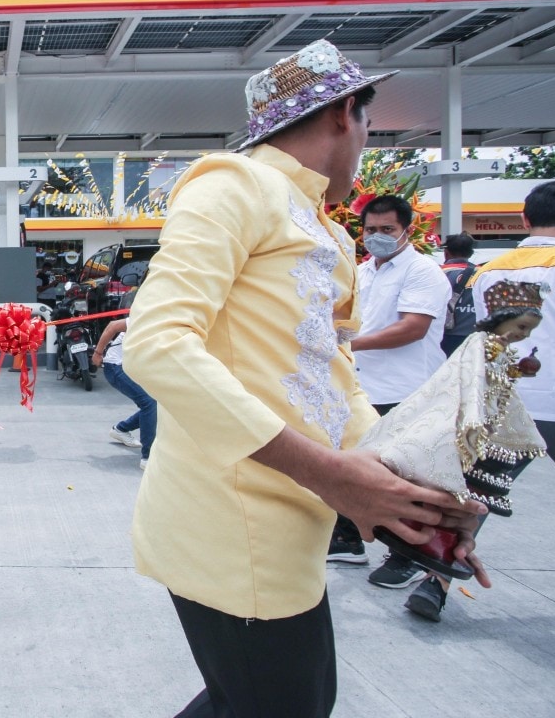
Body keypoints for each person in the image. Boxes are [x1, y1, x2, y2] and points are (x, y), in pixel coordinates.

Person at [121, 40, 487, 718]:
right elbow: (157, 345)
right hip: (231, 524)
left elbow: (332, 379)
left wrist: (413, 487)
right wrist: (333, 474)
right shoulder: (235, 184)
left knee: (270, 702)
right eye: (369, 124)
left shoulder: (326, 229)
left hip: (292, 521)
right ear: (348, 113)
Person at [390, 279, 547, 622]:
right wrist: (473, 423)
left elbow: (494, 383)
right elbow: (471, 384)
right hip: (467, 431)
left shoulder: (497, 347)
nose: (523, 335)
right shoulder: (481, 345)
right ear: (502, 318)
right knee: (451, 493)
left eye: (528, 330)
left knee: (469, 498)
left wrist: (518, 371)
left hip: (485, 432)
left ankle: (436, 558)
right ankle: (423, 547)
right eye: (521, 326)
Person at [328, 193, 451, 587]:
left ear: (407, 230)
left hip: (406, 388)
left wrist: (347, 344)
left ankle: (408, 554)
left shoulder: (423, 272)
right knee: (352, 465)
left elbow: (413, 327)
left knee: (407, 477)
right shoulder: (363, 271)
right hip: (362, 385)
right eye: (371, 230)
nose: (377, 236)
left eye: (387, 230)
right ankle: (348, 539)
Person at [470, 179, 555, 493]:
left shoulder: (486, 272)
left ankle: (443, 542)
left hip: (504, 399)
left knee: (482, 491)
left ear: (525, 220)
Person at [91, 290, 156, 470]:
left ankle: (121, 429)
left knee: (155, 403)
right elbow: (112, 326)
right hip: (116, 366)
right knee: (149, 402)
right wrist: (98, 353)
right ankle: (147, 458)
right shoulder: (147, 316)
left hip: (133, 367)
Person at [440, 232, 478, 356]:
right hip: (476, 336)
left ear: (446, 253)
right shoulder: (484, 273)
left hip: (445, 336)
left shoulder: (438, 273)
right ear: (471, 254)